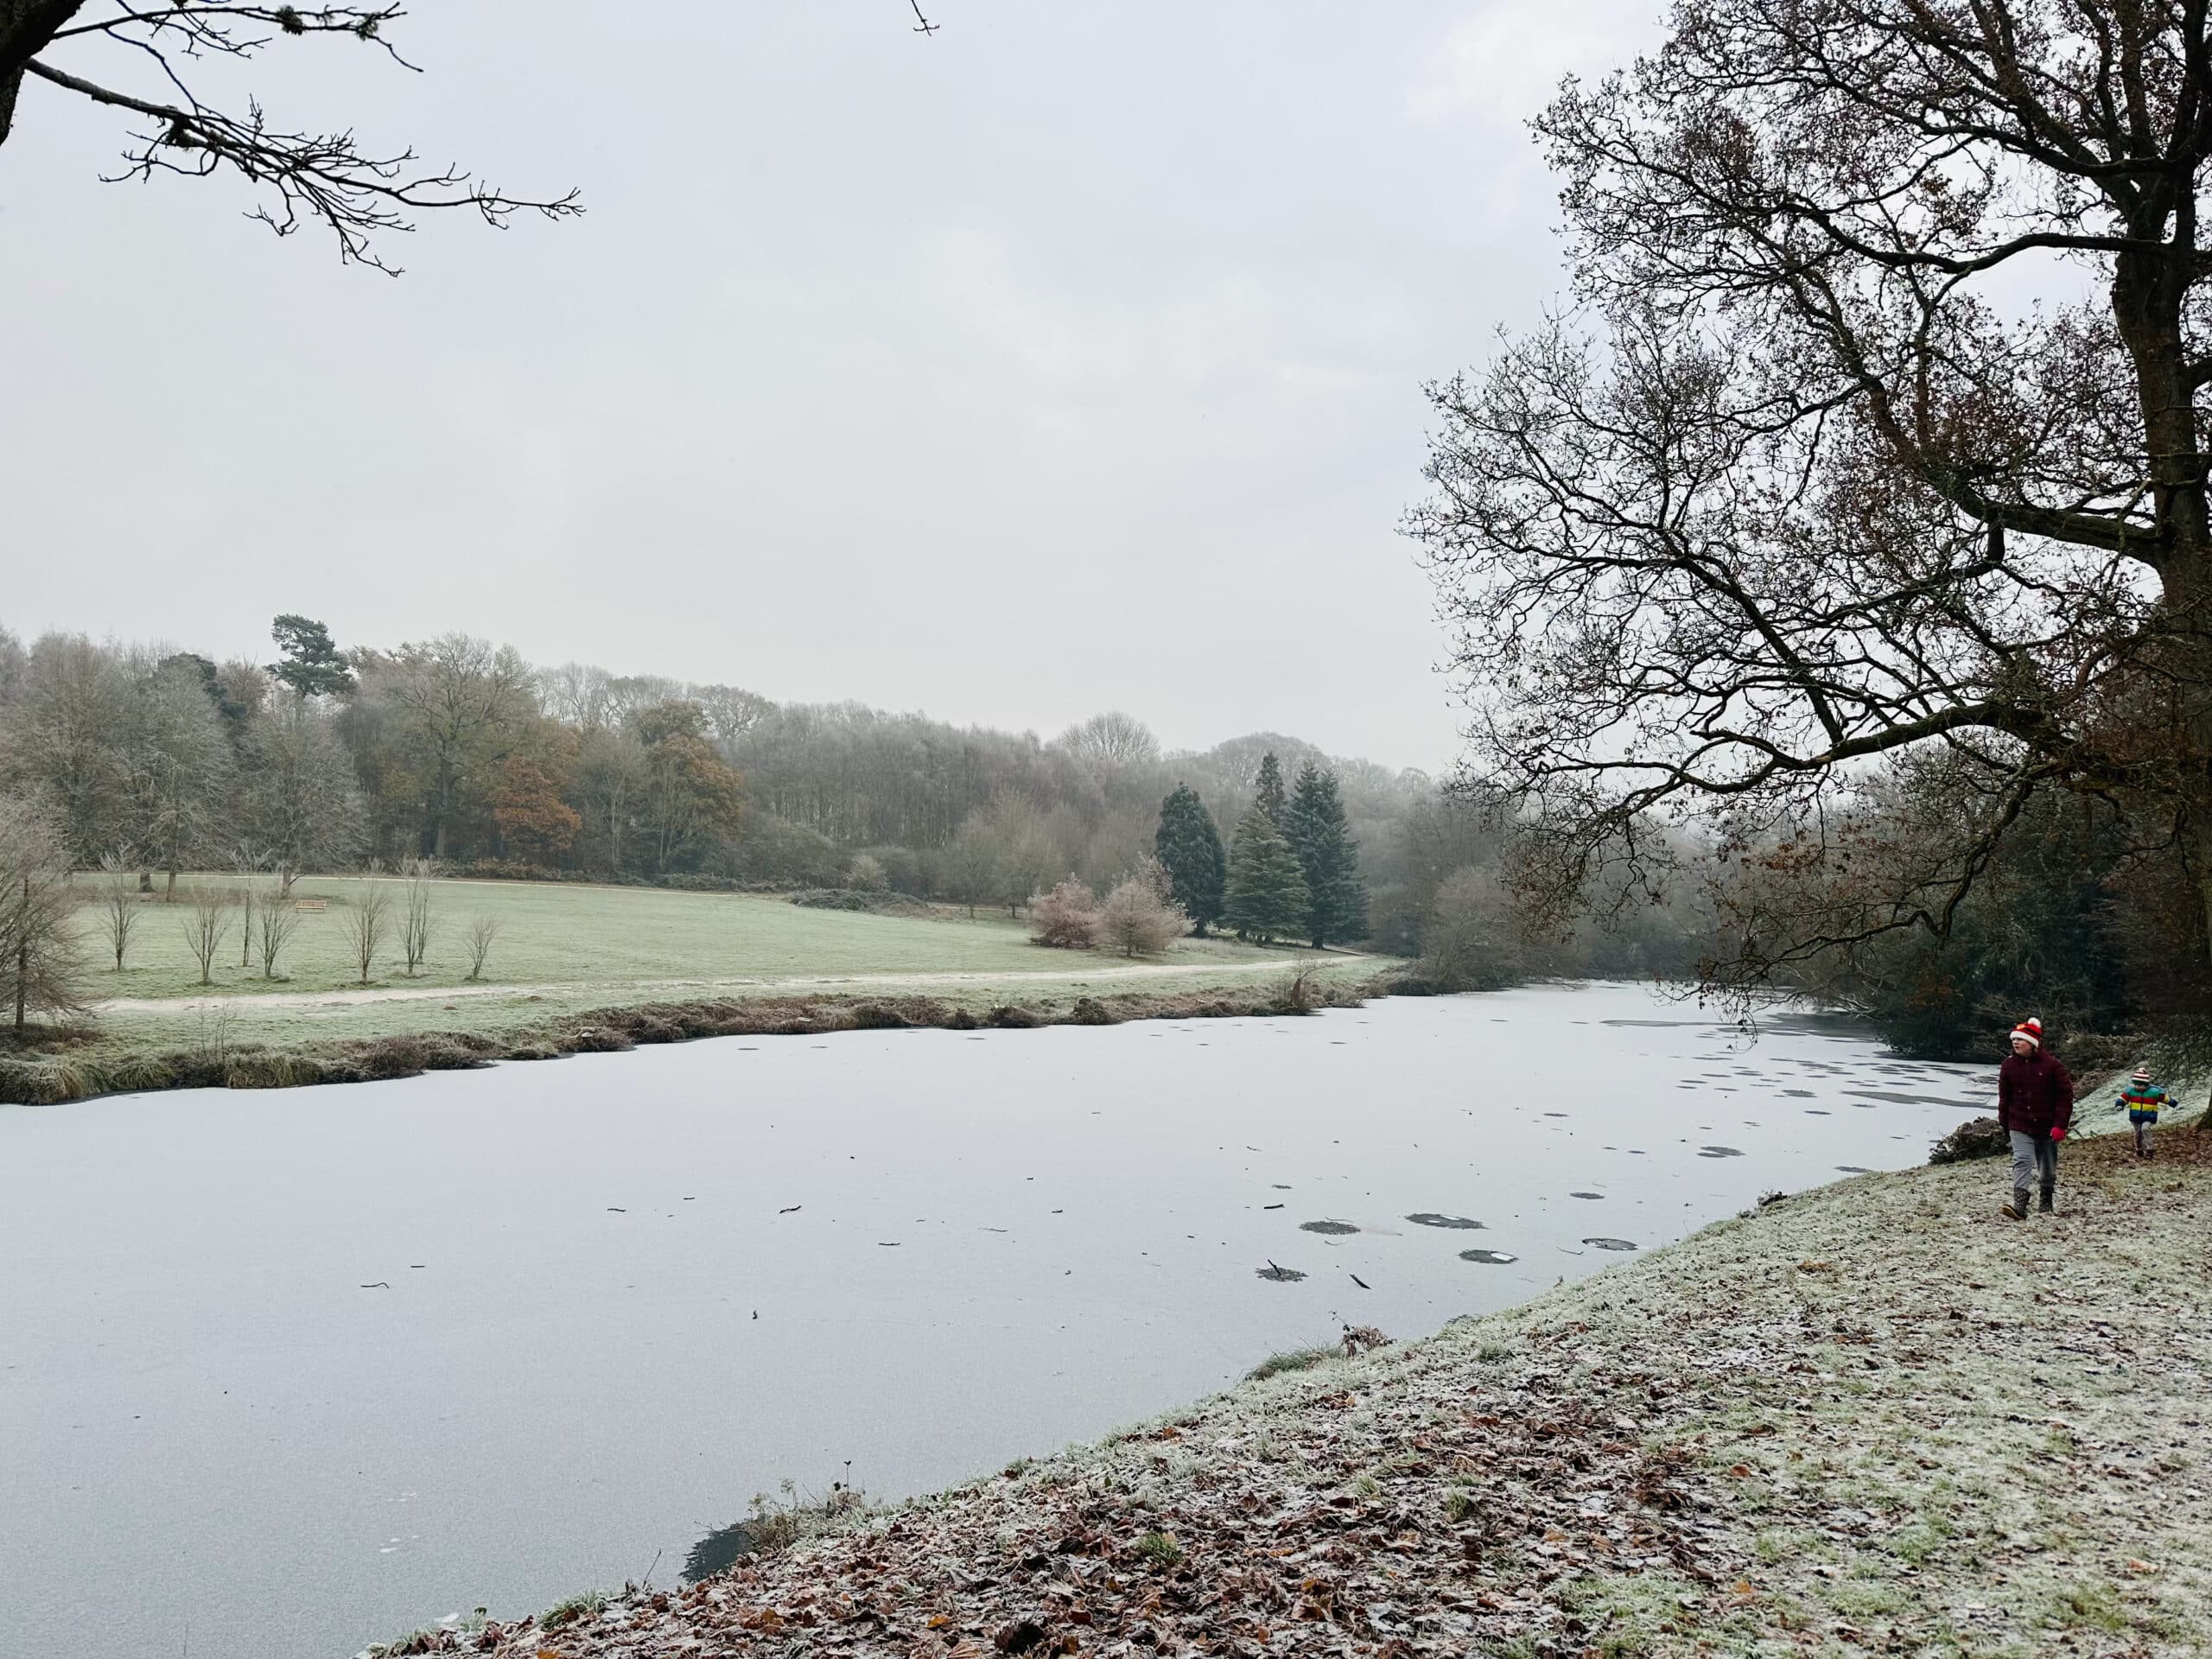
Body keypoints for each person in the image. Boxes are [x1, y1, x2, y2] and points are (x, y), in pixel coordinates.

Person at [1996, 1016, 2073, 1219]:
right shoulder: (2008, 1066)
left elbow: (2065, 1097)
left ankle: (2046, 1201)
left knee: (2047, 1168)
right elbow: (2005, 1098)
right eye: (2014, 1039)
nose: (2015, 1043)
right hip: (2018, 1123)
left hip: (2047, 1125)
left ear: (2033, 1044)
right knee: (2022, 1159)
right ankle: (2020, 1205)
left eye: (2020, 1040)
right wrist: (2005, 1123)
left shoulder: (2053, 1066)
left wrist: (2060, 1125)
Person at [2118, 1067, 2172, 1160]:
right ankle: (2139, 1149)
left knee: (2145, 1129)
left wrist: (2173, 1102)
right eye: (2135, 1085)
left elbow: (2164, 1098)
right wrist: (2120, 1104)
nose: (2137, 1087)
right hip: (2135, 1117)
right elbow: (2123, 1098)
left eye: (2140, 1085)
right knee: (2137, 1134)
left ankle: (2149, 1150)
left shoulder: (2154, 1092)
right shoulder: (2131, 1091)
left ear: (2146, 1084)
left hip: (2149, 1116)